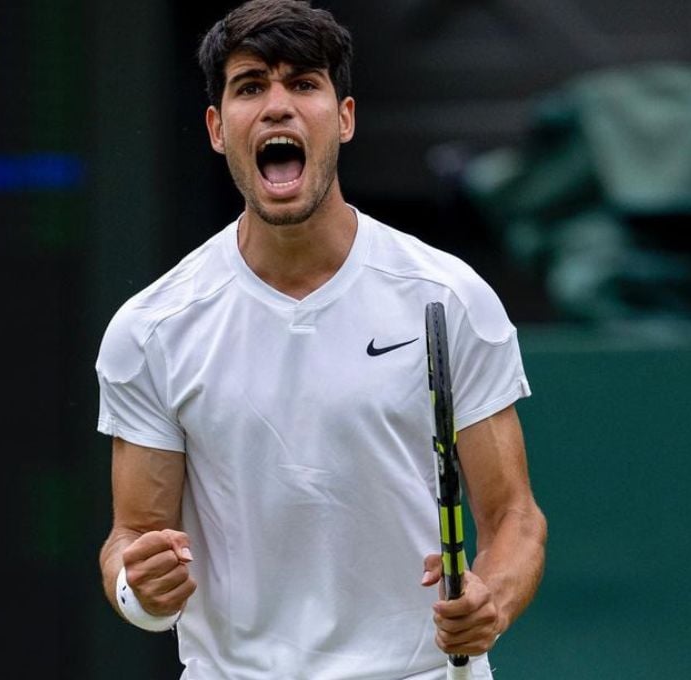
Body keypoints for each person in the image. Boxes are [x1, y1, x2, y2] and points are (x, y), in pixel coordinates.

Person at [94, 1, 547, 678]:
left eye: (303, 83)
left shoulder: (448, 299)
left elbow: (514, 518)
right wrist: (139, 594)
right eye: (250, 86)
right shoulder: (152, 328)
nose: (277, 107)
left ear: (344, 118)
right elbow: (132, 540)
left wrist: (494, 601)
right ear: (218, 129)